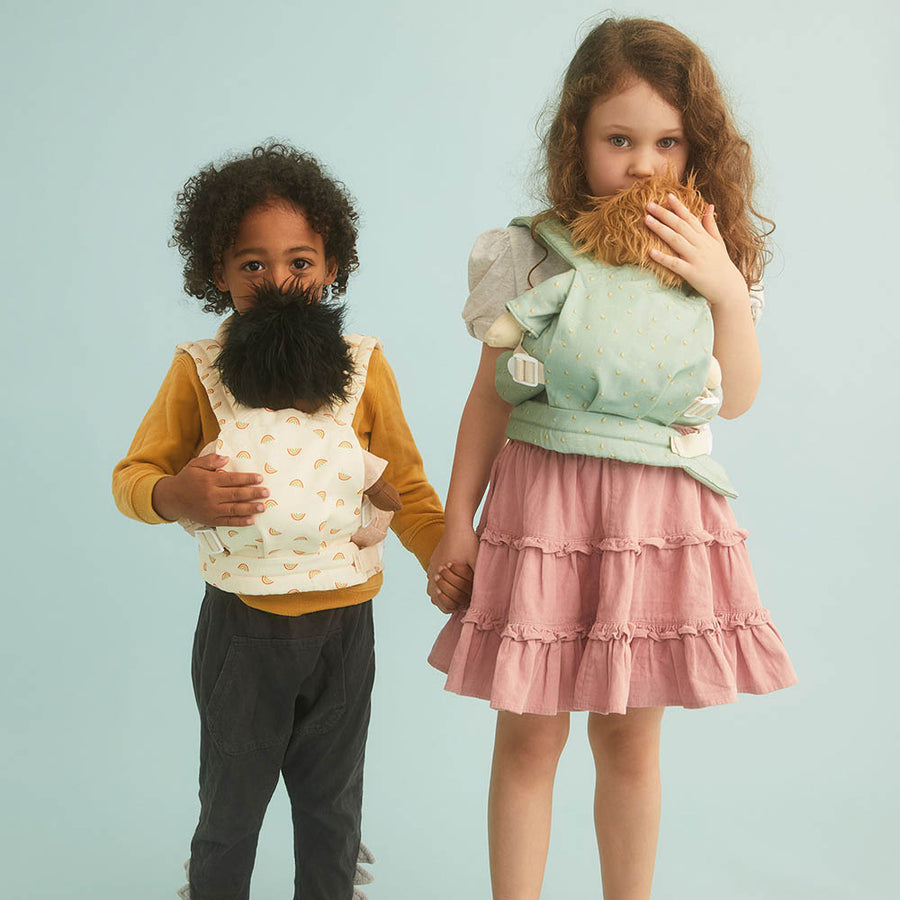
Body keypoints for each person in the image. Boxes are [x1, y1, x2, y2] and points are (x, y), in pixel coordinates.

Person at [426, 18, 796, 900]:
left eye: (667, 142)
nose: (643, 165)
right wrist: (455, 523)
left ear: (696, 146)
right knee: (530, 736)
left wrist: (724, 288)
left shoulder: (708, 256)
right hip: (542, 506)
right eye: (619, 139)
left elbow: (734, 396)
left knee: (630, 741)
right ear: (577, 140)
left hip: (652, 516)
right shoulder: (531, 248)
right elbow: (489, 396)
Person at [112, 143, 465, 900]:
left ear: (333, 268)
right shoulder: (198, 371)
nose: (278, 282)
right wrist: (180, 496)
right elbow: (133, 478)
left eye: (299, 263)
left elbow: (405, 484)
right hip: (243, 630)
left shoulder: (366, 367)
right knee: (231, 808)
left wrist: (444, 557)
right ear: (218, 274)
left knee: (332, 806)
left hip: (345, 630)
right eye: (252, 265)